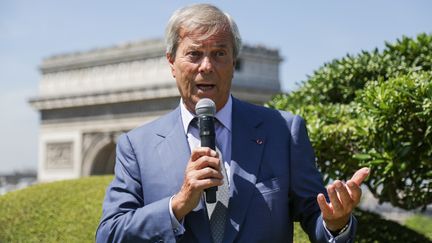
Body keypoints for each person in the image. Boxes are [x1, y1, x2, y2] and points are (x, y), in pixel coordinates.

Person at [96, 3, 369, 243]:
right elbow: (109, 234)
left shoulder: (283, 132)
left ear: (233, 61)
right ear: (171, 62)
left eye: (219, 54)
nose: (206, 66)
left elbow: (315, 215)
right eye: (194, 54)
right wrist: (177, 205)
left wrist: (336, 223)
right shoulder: (137, 146)